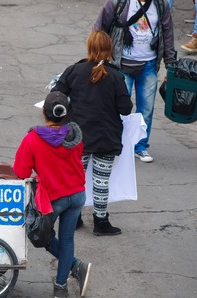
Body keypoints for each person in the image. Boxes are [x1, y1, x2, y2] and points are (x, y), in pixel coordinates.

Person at [51, 30, 133, 236]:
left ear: (89, 48)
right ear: (109, 49)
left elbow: (55, 96)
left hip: (78, 138)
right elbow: (125, 108)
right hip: (107, 136)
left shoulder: (74, 71)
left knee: (76, 179)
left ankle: (75, 217)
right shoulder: (116, 76)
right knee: (101, 181)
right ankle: (101, 222)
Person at [13, 92, 91, 298]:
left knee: (41, 236)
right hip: (77, 194)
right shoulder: (75, 135)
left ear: (44, 112)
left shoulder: (33, 138)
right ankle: (60, 288)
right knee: (67, 240)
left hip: (54, 198)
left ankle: (75, 265)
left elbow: (20, 172)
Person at [94, 0, 176, 163]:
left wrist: (170, 64)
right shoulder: (118, 3)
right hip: (122, 64)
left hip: (149, 65)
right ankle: (116, 143)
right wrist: (97, 58)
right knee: (118, 107)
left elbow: (167, 32)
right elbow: (100, 27)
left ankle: (140, 146)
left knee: (146, 109)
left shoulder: (160, 4)